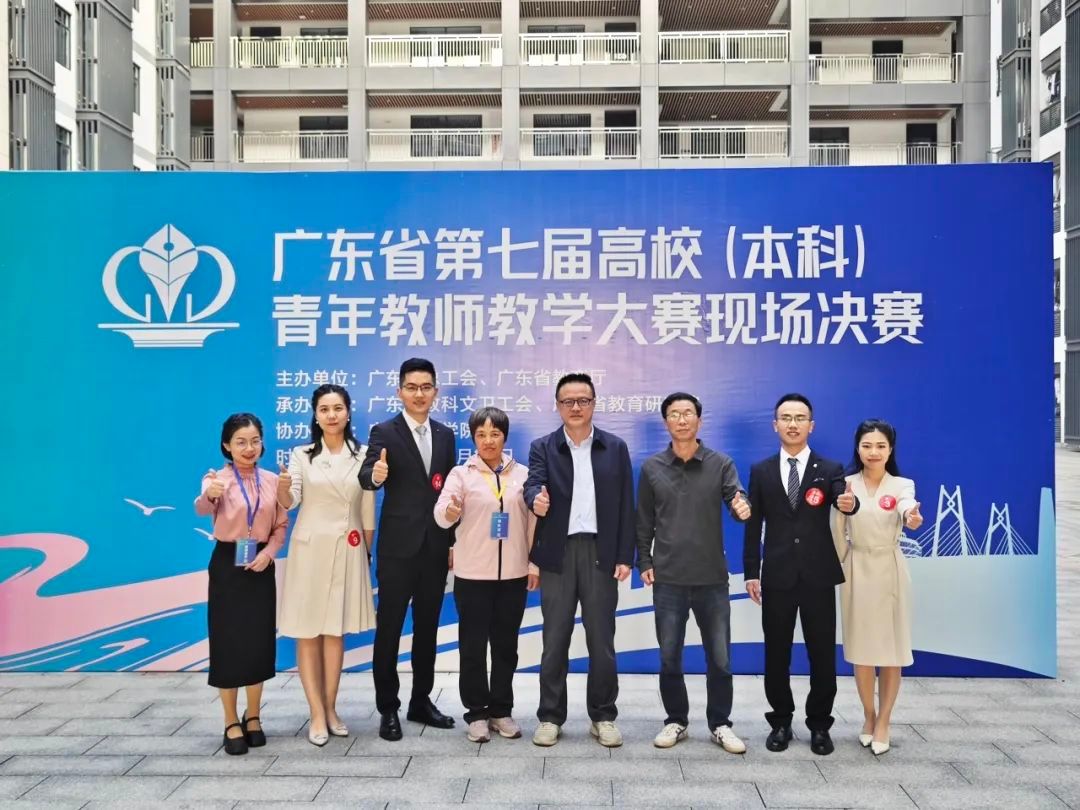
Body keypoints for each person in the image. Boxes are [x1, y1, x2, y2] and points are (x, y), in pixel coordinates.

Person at [742, 393, 858, 756]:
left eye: (800, 418)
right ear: (775, 425)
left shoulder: (830, 468)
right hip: (776, 576)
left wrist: (849, 503)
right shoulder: (761, 470)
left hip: (817, 576)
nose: (793, 424)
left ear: (812, 425)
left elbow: (843, 498)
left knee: (821, 654)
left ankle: (820, 725)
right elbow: (753, 526)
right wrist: (751, 572)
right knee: (776, 654)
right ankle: (780, 722)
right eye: (786, 418)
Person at [524, 372, 635, 748]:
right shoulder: (543, 446)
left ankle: (603, 716)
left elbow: (626, 504)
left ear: (593, 404)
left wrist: (625, 555)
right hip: (557, 552)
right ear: (557, 406)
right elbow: (533, 484)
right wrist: (536, 499)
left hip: (601, 553)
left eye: (583, 400)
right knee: (554, 639)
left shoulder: (614, 447)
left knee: (601, 639)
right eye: (568, 401)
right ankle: (550, 716)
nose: (575, 407)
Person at [636, 392, 750, 753]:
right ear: (666, 421)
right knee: (670, 656)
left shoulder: (720, 463)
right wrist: (645, 562)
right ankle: (676, 720)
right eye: (674, 414)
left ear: (699, 421)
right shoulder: (652, 467)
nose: (682, 419)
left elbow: (736, 499)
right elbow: (644, 521)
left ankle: (720, 723)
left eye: (688, 413)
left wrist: (741, 507)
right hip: (668, 578)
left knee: (720, 658)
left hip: (712, 578)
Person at [359, 358, 457, 741]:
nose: (419, 394)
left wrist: (452, 541)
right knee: (390, 630)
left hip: (435, 548)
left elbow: (450, 492)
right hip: (398, 551)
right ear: (399, 391)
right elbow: (367, 475)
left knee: (427, 629)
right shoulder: (384, 431)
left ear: (435, 392)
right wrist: (375, 475)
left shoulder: (446, 435)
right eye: (412, 387)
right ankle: (388, 708)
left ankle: (420, 701)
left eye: (426, 387)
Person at [278, 384, 376, 747]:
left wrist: (367, 551)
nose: (331, 415)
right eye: (324, 409)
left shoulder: (362, 454)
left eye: (337, 408)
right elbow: (291, 501)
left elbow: (367, 508)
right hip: (310, 550)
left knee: (335, 631)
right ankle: (316, 713)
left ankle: (331, 708)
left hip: (349, 548)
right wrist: (282, 488)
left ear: (348, 413)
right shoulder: (301, 455)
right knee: (308, 632)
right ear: (315, 415)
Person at [434, 407, 539, 743]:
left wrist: (533, 564)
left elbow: (533, 523)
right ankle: (477, 713)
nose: (488, 440)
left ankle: (501, 711)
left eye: (495, 434)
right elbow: (441, 514)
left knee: (506, 647)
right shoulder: (461, 474)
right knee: (473, 647)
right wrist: (450, 511)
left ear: (505, 436)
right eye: (481, 434)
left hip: (513, 575)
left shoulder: (523, 474)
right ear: (473, 438)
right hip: (472, 576)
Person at [194, 413, 288, 756]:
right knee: (228, 643)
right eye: (241, 442)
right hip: (227, 566)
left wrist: (269, 554)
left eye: (255, 441)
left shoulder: (272, 480)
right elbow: (201, 508)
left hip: (260, 565)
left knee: (257, 642)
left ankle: (254, 716)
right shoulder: (216, 479)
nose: (249, 448)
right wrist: (209, 494)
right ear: (227, 446)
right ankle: (231, 720)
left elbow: (280, 525)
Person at [831, 419, 922, 756]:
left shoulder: (902, 485)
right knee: (863, 650)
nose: (873, 452)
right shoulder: (846, 484)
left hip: (890, 569)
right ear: (858, 448)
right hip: (856, 569)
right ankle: (868, 715)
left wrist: (911, 517)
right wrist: (840, 566)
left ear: (890, 449)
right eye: (867, 445)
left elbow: (907, 507)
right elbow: (836, 529)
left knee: (892, 651)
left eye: (880, 446)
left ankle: (884, 720)